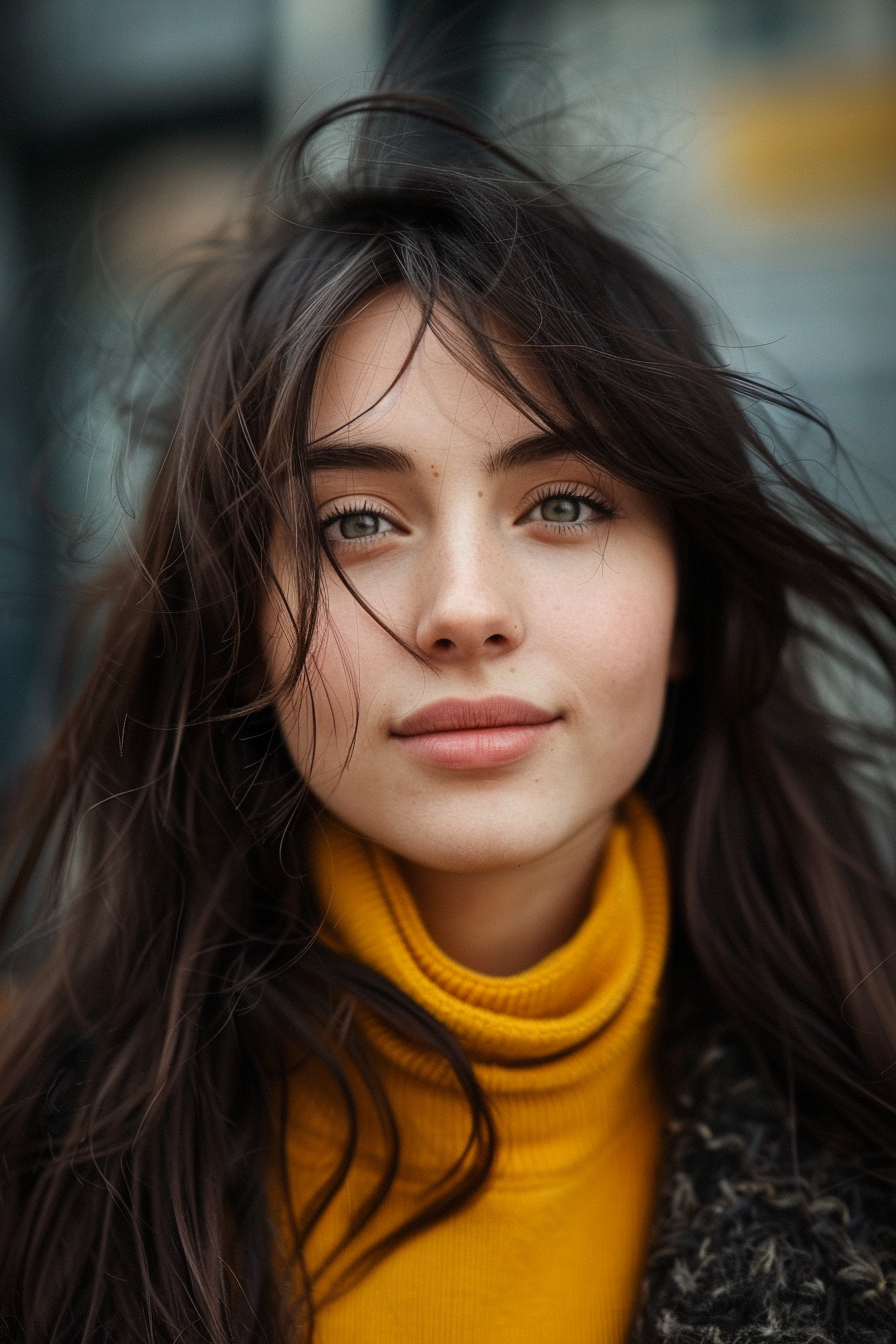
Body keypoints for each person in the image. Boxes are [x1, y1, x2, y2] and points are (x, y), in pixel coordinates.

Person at [0, 90, 895, 1344]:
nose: (462, 611)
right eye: (354, 524)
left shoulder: (869, 1117)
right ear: (238, 631)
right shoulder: (35, 1164)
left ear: (691, 603)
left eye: (565, 505)